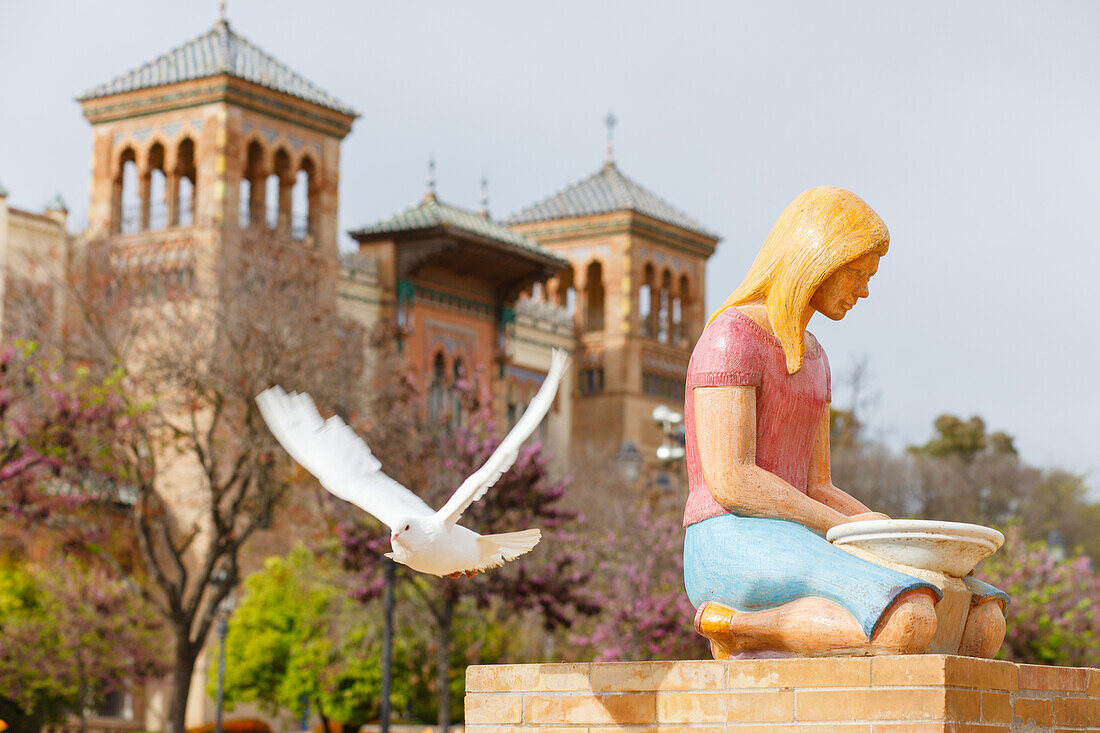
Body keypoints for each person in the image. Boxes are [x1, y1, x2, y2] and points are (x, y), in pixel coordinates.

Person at [683, 186, 1007, 658]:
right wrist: (840, 528)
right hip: (729, 536)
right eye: (856, 273)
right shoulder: (730, 338)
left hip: (802, 531)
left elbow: (818, 484)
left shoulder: (816, 357)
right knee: (907, 617)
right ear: (817, 258)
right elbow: (734, 481)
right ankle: (738, 626)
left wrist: (883, 530)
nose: (864, 290)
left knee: (981, 618)